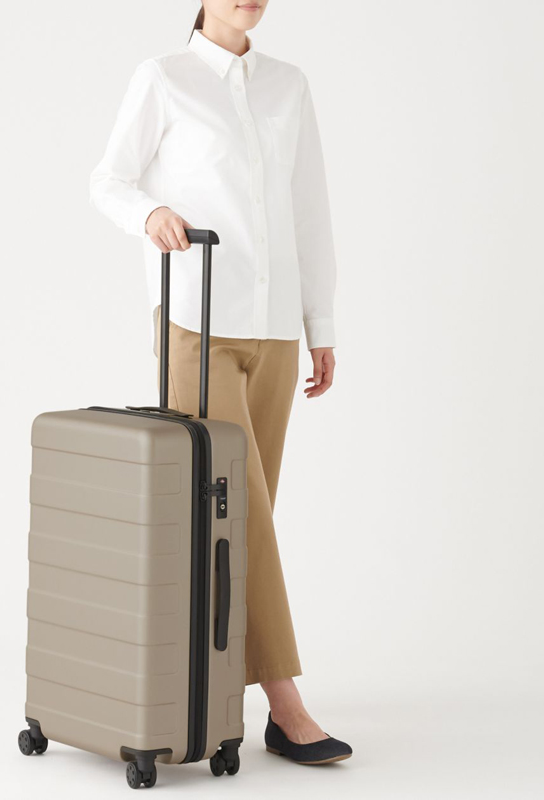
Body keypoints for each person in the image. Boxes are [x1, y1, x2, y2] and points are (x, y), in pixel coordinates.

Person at [89, 0, 351, 765]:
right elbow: (107, 179)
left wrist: (320, 324)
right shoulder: (164, 78)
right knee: (243, 517)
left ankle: (214, 690)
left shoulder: (288, 85)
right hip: (198, 323)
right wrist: (150, 213)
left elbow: (309, 210)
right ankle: (285, 705)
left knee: (243, 519)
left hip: (274, 330)